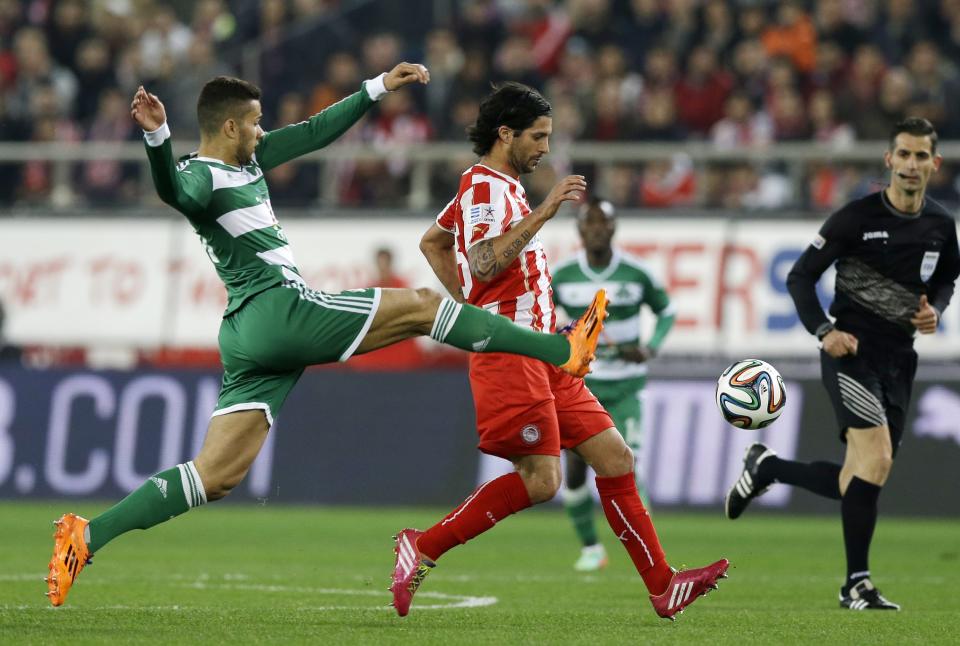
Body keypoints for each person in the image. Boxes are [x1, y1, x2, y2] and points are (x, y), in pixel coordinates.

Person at [45, 64, 607, 607]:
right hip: (279, 309)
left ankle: (85, 537)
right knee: (422, 307)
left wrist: (377, 87)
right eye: (258, 122)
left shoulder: (252, 159)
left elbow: (315, 131)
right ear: (231, 126)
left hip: (246, 333)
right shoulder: (198, 173)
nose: (266, 131)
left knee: (214, 476)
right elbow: (175, 193)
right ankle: (561, 348)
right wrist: (157, 138)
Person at [405, 82, 727, 620]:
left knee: (615, 457)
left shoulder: (491, 185)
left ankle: (662, 584)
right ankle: (423, 546)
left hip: (543, 351)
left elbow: (433, 243)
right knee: (542, 480)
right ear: (504, 134)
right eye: (538, 136)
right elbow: (483, 262)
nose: (545, 149)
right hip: (511, 356)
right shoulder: (486, 190)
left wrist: (471, 308)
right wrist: (545, 213)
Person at [725, 117, 960, 611]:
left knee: (860, 475)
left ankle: (769, 467)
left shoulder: (941, 225)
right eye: (904, 154)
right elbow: (799, 276)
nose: (912, 165)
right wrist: (824, 331)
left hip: (900, 359)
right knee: (876, 460)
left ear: (934, 164)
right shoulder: (855, 219)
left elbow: (946, 281)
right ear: (889, 160)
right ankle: (856, 583)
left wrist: (934, 310)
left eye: (922, 156)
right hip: (850, 353)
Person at [551, 197, 675, 572]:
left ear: (614, 228)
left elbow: (666, 311)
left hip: (625, 385)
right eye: (590, 224)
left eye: (603, 223)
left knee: (627, 464)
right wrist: (560, 340)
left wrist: (650, 348)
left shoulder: (637, 273)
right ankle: (591, 548)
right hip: (580, 385)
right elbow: (541, 317)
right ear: (580, 230)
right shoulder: (562, 274)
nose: (596, 230)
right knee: (573, 472)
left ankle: (647, 552)